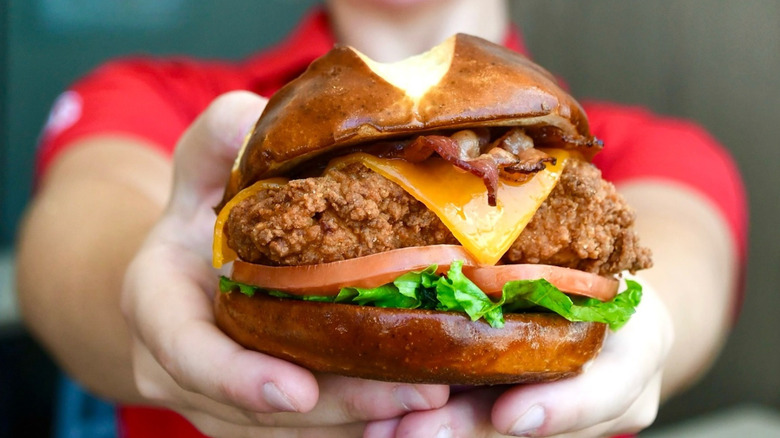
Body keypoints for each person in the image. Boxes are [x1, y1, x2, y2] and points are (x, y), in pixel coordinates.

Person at [16, 0, 746, 436]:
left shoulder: (651, 142)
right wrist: (138, 290)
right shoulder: (160, 95)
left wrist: (658, 326)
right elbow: (70, 237)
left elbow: (683, 255)